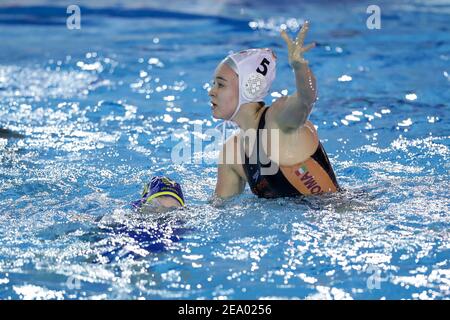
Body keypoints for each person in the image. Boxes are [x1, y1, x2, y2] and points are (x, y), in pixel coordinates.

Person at [209, 21, 340, 199]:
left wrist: (300, 68)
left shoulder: (278, 120)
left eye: (220, 84)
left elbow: (306, 100)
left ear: (249, 87)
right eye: (213, 84)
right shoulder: (231, 153)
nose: (212, 92)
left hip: (341, 214)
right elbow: (218, 211)